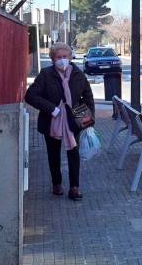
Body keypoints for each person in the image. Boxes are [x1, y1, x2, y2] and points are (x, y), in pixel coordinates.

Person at [25, 42, 95, 201]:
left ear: (70, 57)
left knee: (73, 153)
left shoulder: (78, 74)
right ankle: (56, 183)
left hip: (74, 117)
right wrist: (51, 109)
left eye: (65, 56)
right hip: (52, 120)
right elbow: (30, 96)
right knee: (53, 154)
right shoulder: (46, 74)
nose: (62, 60)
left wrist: (89, 120)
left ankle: (74, 187)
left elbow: (88, 96)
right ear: (52, 59)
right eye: (58, 57)